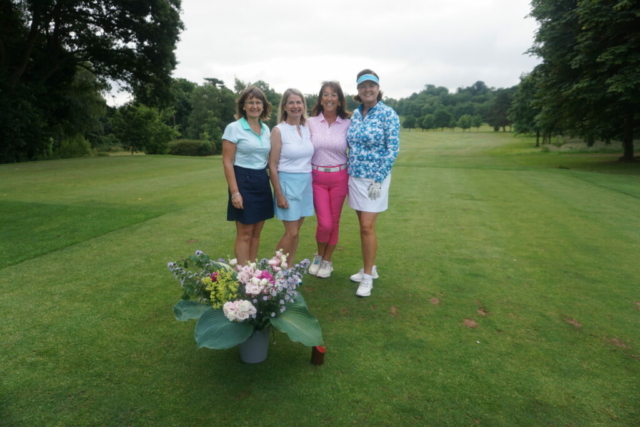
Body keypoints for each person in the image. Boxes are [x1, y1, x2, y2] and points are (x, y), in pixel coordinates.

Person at [347, 69, 400, 297]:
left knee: (367, 226)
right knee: (363, 226)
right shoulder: (355, 115)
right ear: (358, 90)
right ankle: (370, 268)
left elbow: (392, 149)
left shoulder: (388, 114)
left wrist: (378, 179)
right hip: (355, 177)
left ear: (378, 88)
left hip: (375, 179)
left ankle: (367, 277)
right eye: (363, 86)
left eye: (371, 85)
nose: (367, 89)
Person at [222, 86, 274, 266]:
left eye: (258, 102)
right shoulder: (233, 128)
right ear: (243, 106)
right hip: (242, 181)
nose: (254, 106)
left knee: (256, 233)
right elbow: (227, 162)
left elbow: (268, 159)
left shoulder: (266, 129)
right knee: (244, 233)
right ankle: (243, 275)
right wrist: (235, 192)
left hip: (262, 181)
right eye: (250, 102)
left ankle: (252, 271)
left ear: (263, 106)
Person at [306, 81, 351, 278]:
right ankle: (318, 255)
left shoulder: (348, 124)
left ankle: (327, 261)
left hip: (340, 177)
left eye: (334, 95)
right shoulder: (311, 122)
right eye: (325, 94)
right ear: (320, 99)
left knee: (335, 222)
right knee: (325, 223)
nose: (329, 98)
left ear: (339, 100)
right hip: (317, 178)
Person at [268, 88, 314, 266]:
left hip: (306, 184)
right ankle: (273, 271)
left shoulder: (307, 128)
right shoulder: (278, 130)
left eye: (299, 102)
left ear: (303, 105)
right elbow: (272, 165)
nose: (295, 106)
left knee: (296, 232)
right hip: (287, 184)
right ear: (285, 107)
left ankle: (288, 271)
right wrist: (279, 194)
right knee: (291, 232)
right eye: (291, 103)